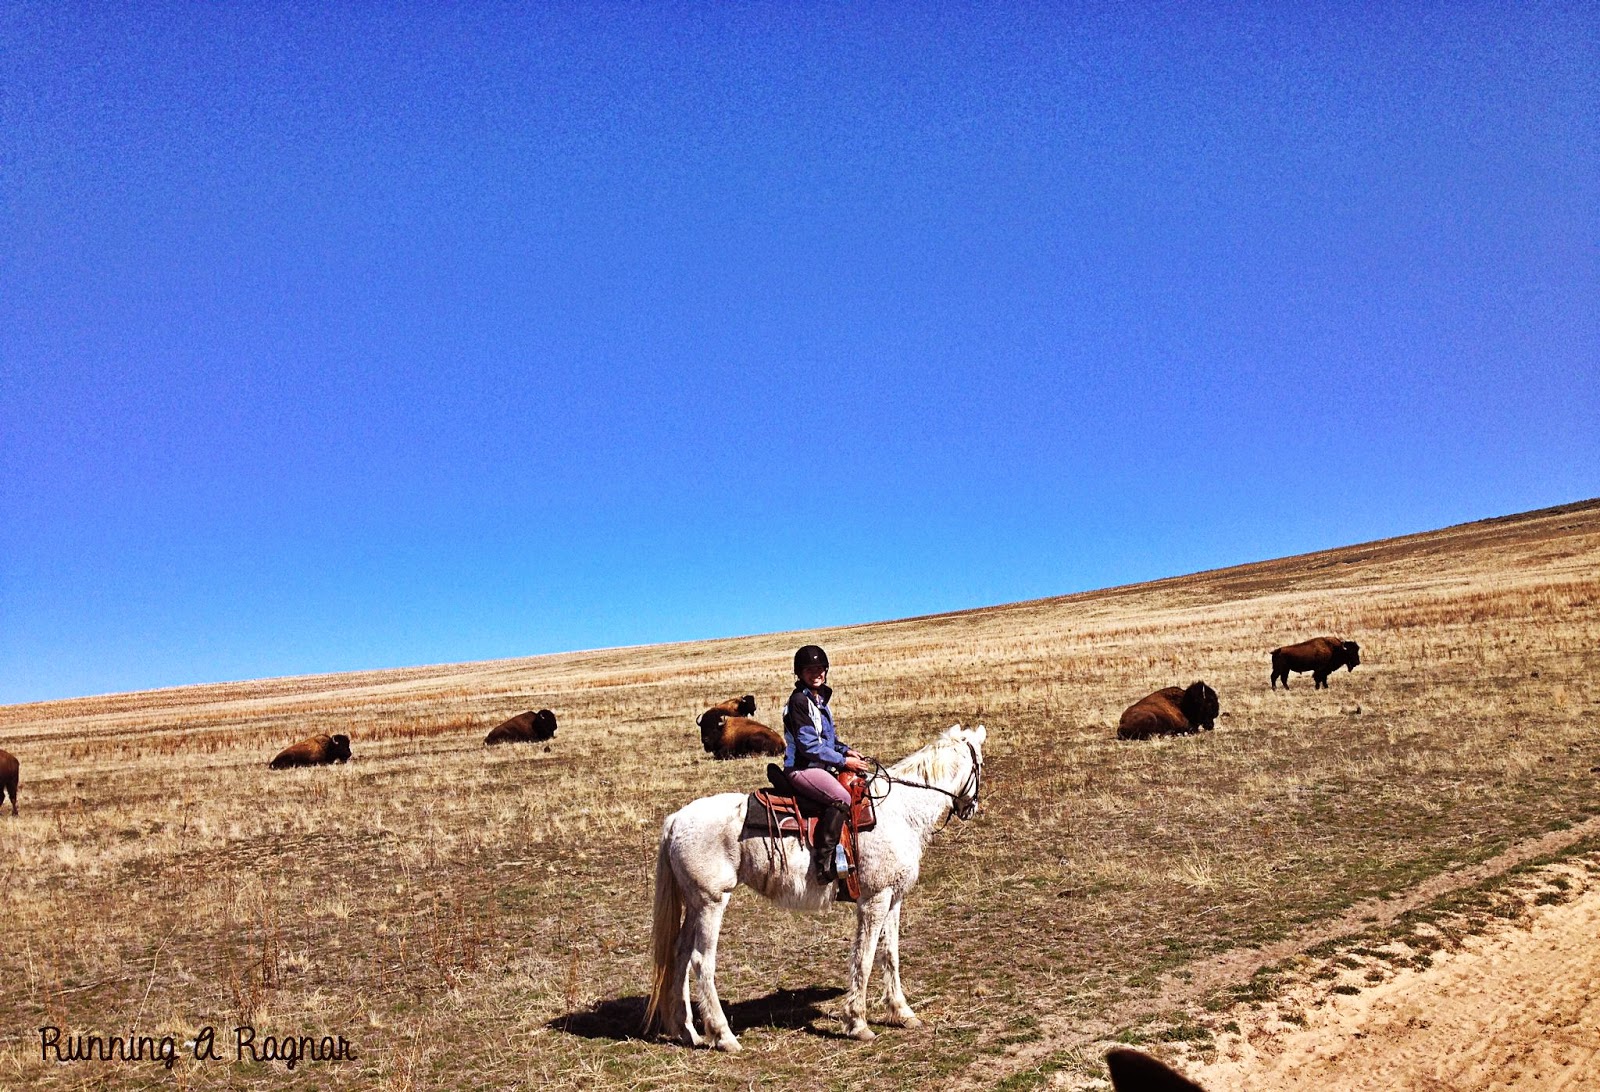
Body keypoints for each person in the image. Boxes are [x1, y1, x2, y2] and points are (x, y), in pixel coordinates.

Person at [782, 645, 871, 883]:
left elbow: (826, 739)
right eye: (810, 670)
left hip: (818, 767)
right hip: (802, 768)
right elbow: (809, 746)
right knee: (841, 798)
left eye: (820, 668)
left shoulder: (818, 700)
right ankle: (823, 866)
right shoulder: (799, 701)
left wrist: (846, 750)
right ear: (799, 673)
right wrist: (844, 761)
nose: (817, 673)